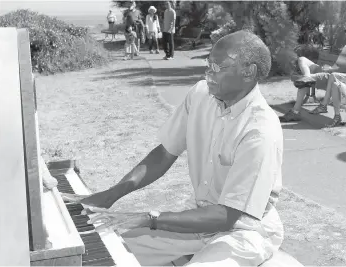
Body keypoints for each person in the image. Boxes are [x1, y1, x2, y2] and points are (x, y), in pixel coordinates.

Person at [62, 30, 285, 267]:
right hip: (199, 219)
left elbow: (227, 216)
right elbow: (165, 153)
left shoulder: (260, 131)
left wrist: (149, 218)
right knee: (106, 250)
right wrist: (111, 195)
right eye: (208, 64)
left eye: (217, 67)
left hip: (244, 232)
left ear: (248, 72)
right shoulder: (200, 94)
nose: (208, 73)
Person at [279, 20, 346, 122]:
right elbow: (339, 64)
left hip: (334, 77)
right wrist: (329, 67)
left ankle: (295, 112)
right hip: (330, 71)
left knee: (304, 81)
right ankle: (308, 77)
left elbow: (344, 70)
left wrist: (330, 69)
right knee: (302, 60)